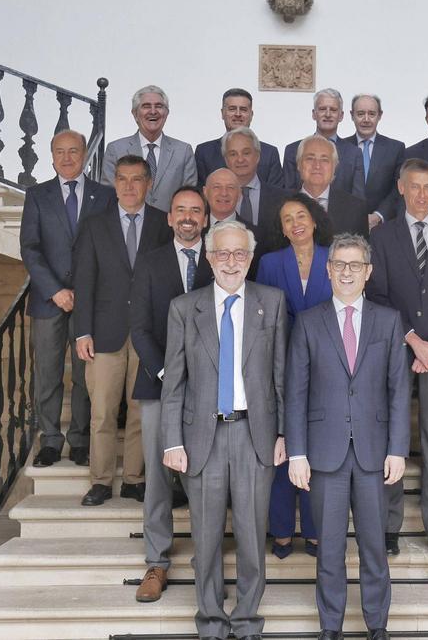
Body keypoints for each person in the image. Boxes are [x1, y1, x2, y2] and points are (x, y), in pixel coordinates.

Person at [161, 221, 289, 640]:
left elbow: (281, 376)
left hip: (256, 436)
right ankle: (212, 623)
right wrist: (172, 441)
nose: (230, 262)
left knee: (252, 537)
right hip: (203, 439)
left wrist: (285, 435)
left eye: (239, 254)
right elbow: (174, 383)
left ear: (249, 259)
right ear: (210, 259)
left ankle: (248, 621)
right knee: (207, 538)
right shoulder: (185, 308)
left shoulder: (271, 303)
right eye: (222, 254)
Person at [286, 233, 409, 640]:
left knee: (375, 547)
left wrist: (398, 449)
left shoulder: (388, 321)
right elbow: (296, 391)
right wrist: (297, 452)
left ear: (368, 272)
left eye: (355, 265)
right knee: (330, 549)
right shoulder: (308, 321)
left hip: (375, 453)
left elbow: (398, 390)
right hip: (324, 453)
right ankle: (331, 627)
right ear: (328, 269)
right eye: (339, 264)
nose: (347, 272)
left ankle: (377, 625)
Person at [366, 158, 428, 559]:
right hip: (395, 350)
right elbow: (376, 296)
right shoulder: (382, 237)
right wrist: (412, 339)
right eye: (415, 187)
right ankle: (389, 526)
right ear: (402, 188)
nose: (422, 194)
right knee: (392, 439)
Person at [128, 186, 214, 603]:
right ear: (169, 217)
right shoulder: (149, 262)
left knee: (200, 476)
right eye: (180, 209)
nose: (187, 217)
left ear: (206, 217)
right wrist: (168, 373)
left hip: (210, 390)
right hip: (158, 386)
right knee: (159, 479)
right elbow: (139, 328)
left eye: (195, 211)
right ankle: (156, 561)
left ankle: (206, 561)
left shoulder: (221, 260)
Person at [73, 155, 171, 507]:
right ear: (115, 183)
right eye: (123, 179)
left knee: (140, 410)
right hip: (104, 332)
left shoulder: (163, 223)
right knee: (101, 410)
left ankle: (133, 479)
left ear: (149, 183)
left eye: (137, 179)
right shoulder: (94, 225)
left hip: (148, 333)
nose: (130, 186)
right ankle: (100, 481)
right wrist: (82, 330)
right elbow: (83, 280)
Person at [20, 129, 110, 469]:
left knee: (86, 375)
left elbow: (108, 246)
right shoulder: (37, 196)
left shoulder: (104, 196)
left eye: (74, 150)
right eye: (60, 151)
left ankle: (80, 439)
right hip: (48, 300)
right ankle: (50, 440)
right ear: (52, 155)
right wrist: (55, 290)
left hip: (92, 301)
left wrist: (86, 293)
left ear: (85, 153)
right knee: (47, 372)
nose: (67, 157)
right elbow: (30, 247)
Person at [255, 193, 335, 559]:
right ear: (282, 229)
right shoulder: (270, 263)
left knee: (319, 448)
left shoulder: (334, 258)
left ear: (314, 219)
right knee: (283, 446)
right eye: (287, 219)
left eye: (301, 215)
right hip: (281, 364)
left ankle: (317, 530)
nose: (295, 223)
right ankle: (283, 529)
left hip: (328, 364)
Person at [102, 85, 198, 211]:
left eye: (159, 106)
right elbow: (108, 196)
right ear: (135, 114)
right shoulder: (115, 150)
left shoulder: (183, 151)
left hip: (169, 228)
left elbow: (189, 197)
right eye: (146, 106)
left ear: (167, 113)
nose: (153, 111)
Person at [194, 87, 286, 188]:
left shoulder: (269, 153)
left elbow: (277, 196)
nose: (238, 114)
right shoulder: (204, 152)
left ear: (251, 115)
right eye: (232, 109)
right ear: (222, 113)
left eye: (243, 109)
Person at [282, 88, 364, 196]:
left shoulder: (354, 154)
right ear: (314, 114)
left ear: (341, 116)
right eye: (322, 109)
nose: (328, 114)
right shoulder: (292, 150)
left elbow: (358, 200)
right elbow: (288, 195)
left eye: (333, 110)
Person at [342, 93, 405, 229]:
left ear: (380, 115)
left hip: (383, 227)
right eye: (360, 114)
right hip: (346, 226)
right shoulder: (339, 148)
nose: (366, 119)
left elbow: (398, 188)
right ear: (352, 115)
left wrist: (379, 215)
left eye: (371, 114)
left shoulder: (395, 148)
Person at [296, 136, 370, 238]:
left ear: (335, 167)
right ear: (299, 164)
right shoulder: (281, 205)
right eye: (310, 158)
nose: (317, 166)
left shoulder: (356, 208)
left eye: (324, 160)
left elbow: (362, 251)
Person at [222, 127, 289, 236]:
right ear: (226, 160)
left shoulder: (282, 199)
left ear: (257, 156)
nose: (240, 159)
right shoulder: (216, 200)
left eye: (246, 153)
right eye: (233, 154)